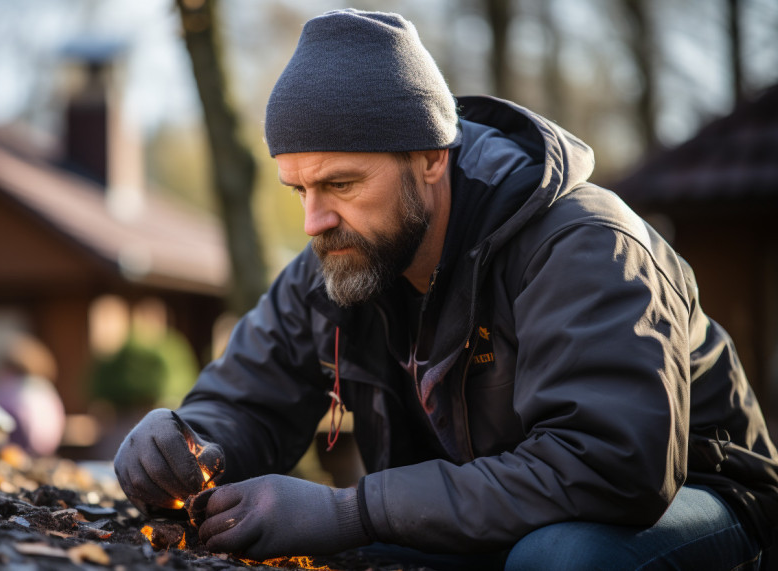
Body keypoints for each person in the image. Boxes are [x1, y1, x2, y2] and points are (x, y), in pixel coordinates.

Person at [114, 9, 778, 569]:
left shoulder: (584, 246)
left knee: (563, 556)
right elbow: (246, 403)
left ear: (432, 157)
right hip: (497, 517)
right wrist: (188, 446)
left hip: (703, 504)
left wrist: (353, 510)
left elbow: (607, 467)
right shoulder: (337, 262)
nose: (313, 220)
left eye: (342, 185)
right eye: (300, 189)